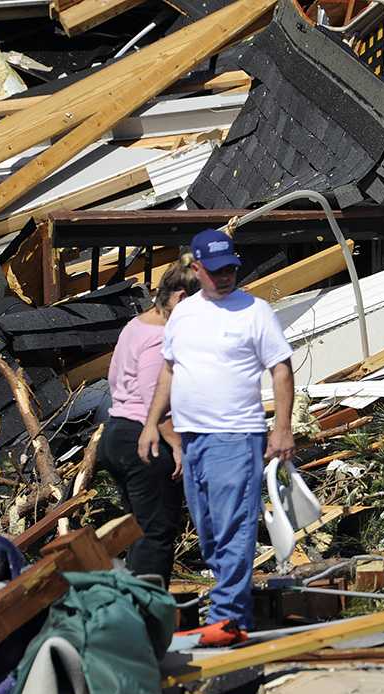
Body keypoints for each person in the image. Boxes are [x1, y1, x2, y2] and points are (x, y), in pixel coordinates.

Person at [138, 229, 295, 644]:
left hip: (236, 434)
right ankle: (231, 615)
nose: (226, 277)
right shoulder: (185, 314)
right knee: (208, 529)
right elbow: (169, 371)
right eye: (217, 270)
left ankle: (229, 618)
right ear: (196, 268)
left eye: (231, 269)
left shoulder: (254, 311)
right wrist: (152, 423)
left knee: (233, 527)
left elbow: (280, 368)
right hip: (193, 438)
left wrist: (281, 427)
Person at [98, 257, 197, 588]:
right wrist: (178, 444)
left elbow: (114, 380)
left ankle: (134, 606)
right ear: (180, 298)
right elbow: (155, 397)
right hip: (145, 439)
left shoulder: (135, 325)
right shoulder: (159, 336)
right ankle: (148, 614)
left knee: (140, 527)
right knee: (156, 532)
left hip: (117, 434)